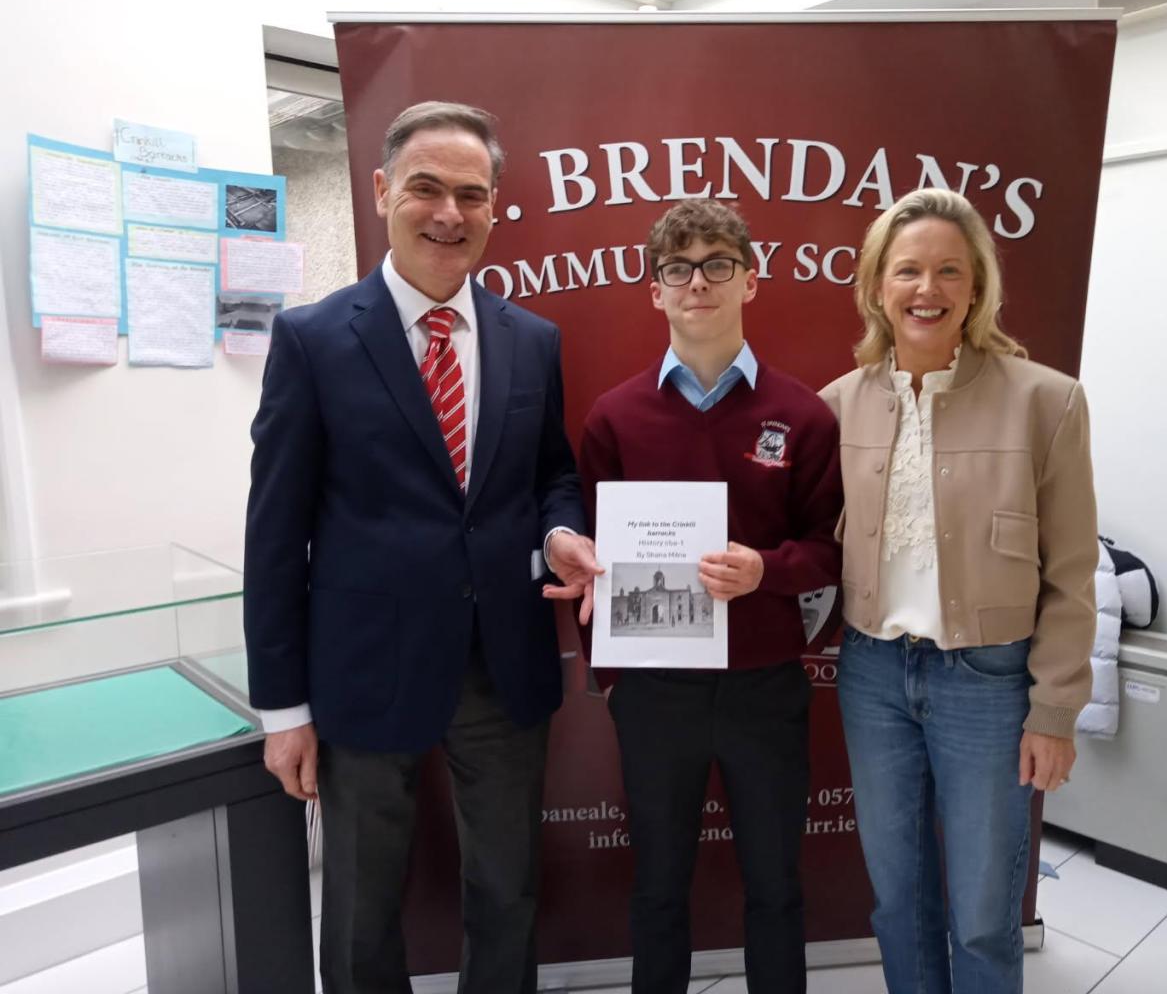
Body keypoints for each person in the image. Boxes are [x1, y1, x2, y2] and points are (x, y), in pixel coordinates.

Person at [244, 100, 602, 994]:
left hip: (501, 663)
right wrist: (282, 711)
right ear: (381, 191)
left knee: (507, 888)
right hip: (364, 667)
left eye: (471, 194)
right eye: (425, 189)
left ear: (495, 206)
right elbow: (275, 534)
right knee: (360, 902)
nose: (449, 213)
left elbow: (551, 473)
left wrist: (560, 531)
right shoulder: (313, 339)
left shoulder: (532, 340)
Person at [553, 199, 842, 993]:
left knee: (776, 886)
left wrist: (765, 571)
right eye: (678, 269)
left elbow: (829, 551)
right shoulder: (614, 417)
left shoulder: (802, 415)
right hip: (654, 692)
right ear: (655, 291)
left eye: (718, 264)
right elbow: (591, 555)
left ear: (749, 280)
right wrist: (611, 669)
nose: (698, 283)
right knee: (656, 886)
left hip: (765, 688)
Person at [819, 188, 1097, 994]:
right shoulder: (835, 406)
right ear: (877, 286)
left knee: (981, 911)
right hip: (872, 675)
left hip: (988, 682)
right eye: (907, 270)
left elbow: (1071, 572)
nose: (926, 289)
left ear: (976, 287)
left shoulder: (1045, 401)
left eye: (949, 270)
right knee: (896, 900)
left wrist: (1054, 711)